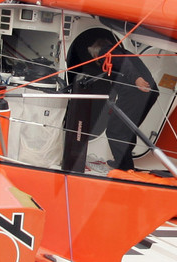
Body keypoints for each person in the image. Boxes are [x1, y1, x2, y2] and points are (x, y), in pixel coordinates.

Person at [61, 28, 156, 173]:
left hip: (137, 92)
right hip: (149, 93)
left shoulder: (106, 51)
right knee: (127, 128)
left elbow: (122, 62)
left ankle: (123, 167)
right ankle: (125, 163)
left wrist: (136, 79)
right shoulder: (122, 52)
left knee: (115, 130)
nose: (97, 61)